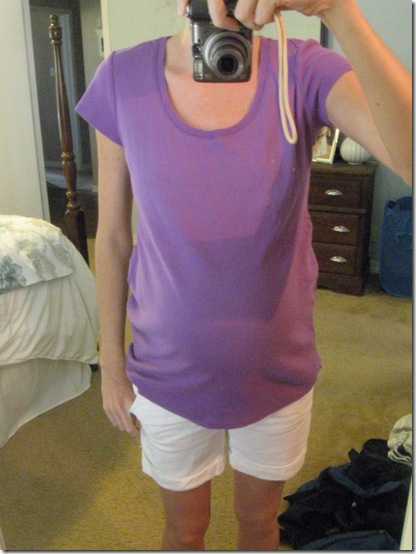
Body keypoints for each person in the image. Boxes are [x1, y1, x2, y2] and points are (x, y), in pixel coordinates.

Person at [76, 0, 411, 550]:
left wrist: (339, 10)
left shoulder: (302, 69)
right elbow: (112, 237)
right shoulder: (123, 77)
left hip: (275, 370)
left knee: (259, 527)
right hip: (168, 371)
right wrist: (112, 365)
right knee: (184, 532)